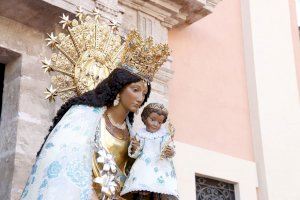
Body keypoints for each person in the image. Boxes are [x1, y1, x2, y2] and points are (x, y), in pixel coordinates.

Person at [121, 103, 179, 200]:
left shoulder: (164, 135)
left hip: (160, 166)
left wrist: (170, 151)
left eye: (160, 122)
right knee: (143, 187)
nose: (156, 124)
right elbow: (136, 153)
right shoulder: (140, 134)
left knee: (158, 190)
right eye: (153, 119)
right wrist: (135, 148)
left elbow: (169, 147)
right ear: (144, 118)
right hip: (144, 165)